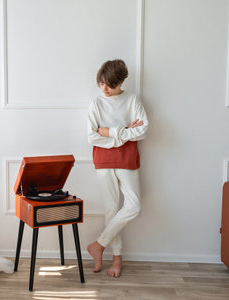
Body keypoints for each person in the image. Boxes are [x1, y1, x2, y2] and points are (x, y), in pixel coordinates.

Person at [86, 59, 149, 278]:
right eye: (101, 83)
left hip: (127, 158)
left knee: (134, 206)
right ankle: (116, 258)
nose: (104, 88)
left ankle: (98, 245)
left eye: (110, 85)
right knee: (111, 209)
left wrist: (112, 132)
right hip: (103, 160)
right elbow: (92, 136)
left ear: (122, 81)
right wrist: (124, 133)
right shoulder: (96, 103)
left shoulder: (132, 100)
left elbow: (143, 131)